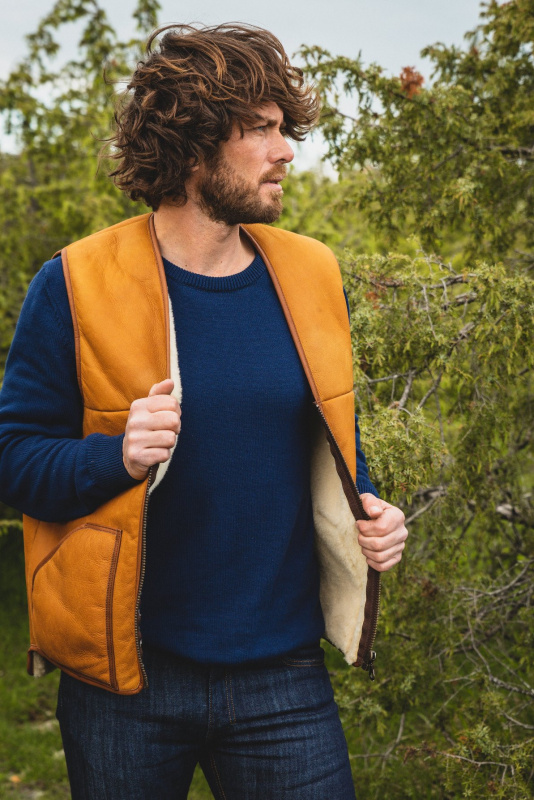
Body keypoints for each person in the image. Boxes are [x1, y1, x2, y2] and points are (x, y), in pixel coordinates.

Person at [0, 23, 408, 800]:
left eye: (283, 128)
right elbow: (13, 457)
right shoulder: (76, 283)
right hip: (126, 679)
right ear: (191, 145)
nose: (286, 150)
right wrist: (113, 455)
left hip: (283, 679)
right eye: (260, 129)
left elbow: (328, 443)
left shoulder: (311, 273)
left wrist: (372, 508)